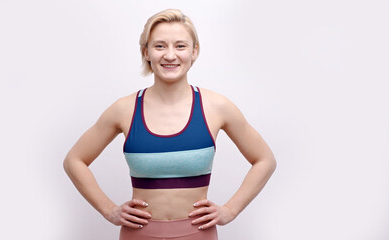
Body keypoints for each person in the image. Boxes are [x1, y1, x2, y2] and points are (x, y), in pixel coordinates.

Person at [63, 9, 276, 240]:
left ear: (194, 51)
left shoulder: (216, 107)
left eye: (180, 46)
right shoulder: (124, 109)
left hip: (198, 234)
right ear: (146, 52)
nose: (170, 55)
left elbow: (265, 159)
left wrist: (230, 210)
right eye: (160, 46)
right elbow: (75, 160)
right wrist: (109, 210)